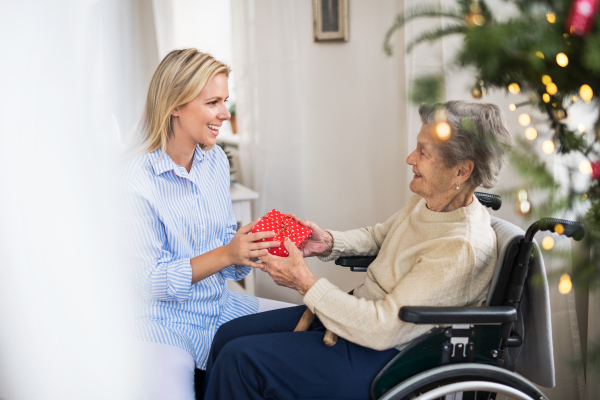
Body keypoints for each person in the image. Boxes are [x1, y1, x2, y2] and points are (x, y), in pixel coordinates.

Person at [202, 101, 514, 400]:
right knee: (228, 335)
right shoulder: (430, 200)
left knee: (239, 363)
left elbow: (383, 328)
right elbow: (383, 235)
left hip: (389, 357)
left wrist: (304, 282)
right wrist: (328, 242)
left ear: (461, 172)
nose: (410, 159)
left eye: (423, 152)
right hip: (357, 318)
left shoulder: (460, 247)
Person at [122, 49, 293, 400]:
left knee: (311, 326)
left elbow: (224, 247)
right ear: (175, 105)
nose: (224, 114)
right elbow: (148, 282)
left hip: (220, 306)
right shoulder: (134, 180)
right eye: (213, 102)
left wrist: (253, 246)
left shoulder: (214, 160)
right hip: (163, 323)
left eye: (225, 101)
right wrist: (228, 254)